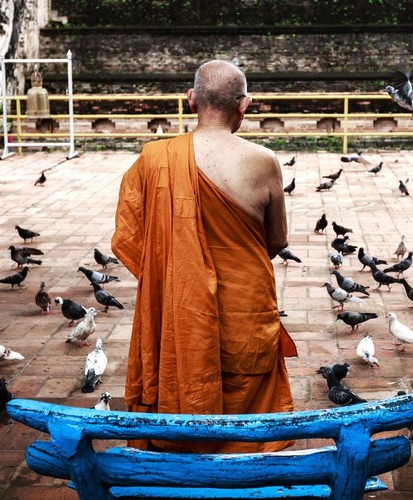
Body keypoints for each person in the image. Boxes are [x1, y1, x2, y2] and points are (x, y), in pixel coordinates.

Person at [111, 60, 294, 454]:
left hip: (180, 320)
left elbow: (131, 241)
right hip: (244, 316)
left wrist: (180, 265)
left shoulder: (154, 159)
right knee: (250, 422)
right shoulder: (263, 160)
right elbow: (277, 241)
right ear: (244, 105)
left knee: (182, 388)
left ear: (191, 99)